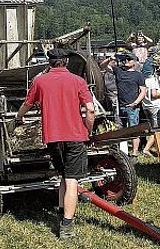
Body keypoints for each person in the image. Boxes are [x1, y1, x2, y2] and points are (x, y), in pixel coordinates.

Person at [15, 48, 95, 239]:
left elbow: (27, 104)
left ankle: (61, 212)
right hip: (75, 137)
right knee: (72, 181)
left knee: (63, 175)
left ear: (48, 62)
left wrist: (19, 117)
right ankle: (66, 227)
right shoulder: (78, 81)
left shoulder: (39, 81)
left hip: (53, 138)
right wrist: (88, 130)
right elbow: (90, 109)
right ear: (66, 62)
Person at [101, 53, 147, 159]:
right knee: (121, 130)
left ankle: (134, 153)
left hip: (133, 107)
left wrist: (135, 103)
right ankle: (122, 152)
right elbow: (103, 66)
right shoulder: (118, 71)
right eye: (126, 59)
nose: (126, 61)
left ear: (134, 62)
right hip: (121, 106)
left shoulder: (138, 75)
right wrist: (109, 59)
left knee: (134, 129)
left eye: (129, 59)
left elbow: (143, 91)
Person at [141, 63, 160, 157]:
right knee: (157, 129)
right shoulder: (152, 80)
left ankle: (154, 147)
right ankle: (146, 149)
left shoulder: (143, 79)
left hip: (146, 106)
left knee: (152, 127)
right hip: (155, 106)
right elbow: (154, 94)